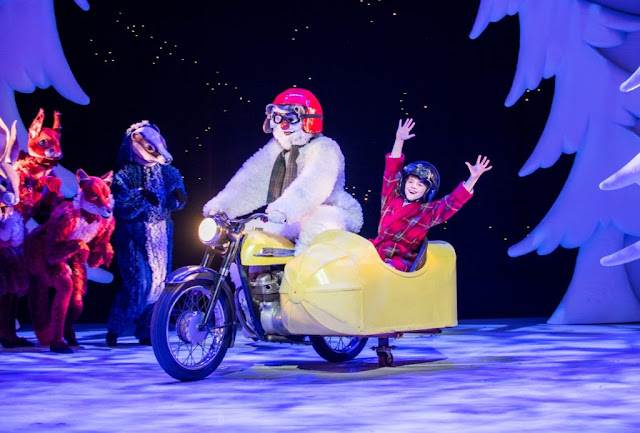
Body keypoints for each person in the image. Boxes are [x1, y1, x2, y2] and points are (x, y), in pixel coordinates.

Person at [203, 88, 363, 254]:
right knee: (248, 238)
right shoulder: (276, 149)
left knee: (317, 227)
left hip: (328, 211)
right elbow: (251, 180)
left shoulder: (325, 148)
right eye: (278, 118)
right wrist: (222, 207)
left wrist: (284, 209)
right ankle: (249, 271)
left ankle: (301, 269)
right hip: (287, 219)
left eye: (291, 118)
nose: (284, 124)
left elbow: (312, 184)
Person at [371, 118, 492, 271]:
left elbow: (451, 202)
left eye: (420, 184)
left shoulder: (427, 212)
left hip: (400, 260)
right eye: (411, 182)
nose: (413, 186)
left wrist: (472, 179)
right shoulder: (391, 197)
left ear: (427, 190)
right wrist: (399, 140)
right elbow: (392, 171)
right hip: (376, 251)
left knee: (390, 269)